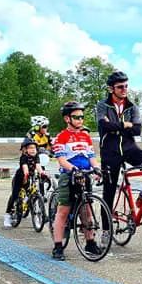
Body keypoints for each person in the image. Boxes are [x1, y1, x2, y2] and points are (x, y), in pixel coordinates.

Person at [96, 70, 142, 235]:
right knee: (109, 193)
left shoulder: (132, 107)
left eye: (126, 86)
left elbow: (137, 130)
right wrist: (125, 125)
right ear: (111, 89)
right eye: (120, 87)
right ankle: (106, 232)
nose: (124, 89)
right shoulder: (102, 106)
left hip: (130, 149)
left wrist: (116, 126)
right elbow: (104, 126)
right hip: (110, 153)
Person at [51, 102, 103, 260]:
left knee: (86, 211)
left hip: (84, 176)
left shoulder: (85, 136)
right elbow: (61, 160)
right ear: (67, 118)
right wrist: (74, 169)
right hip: (69, 176)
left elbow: (91, 156)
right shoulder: (61, 137)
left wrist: (97, 168)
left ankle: (90, 243)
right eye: (76, 117)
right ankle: (58, 247)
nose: (80, 120)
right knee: (63, 212)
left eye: (82, 117)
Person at [4, 138, 49, 227]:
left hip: (29, 177)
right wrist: (26, 174)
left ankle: (27, 204)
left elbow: (38, 166)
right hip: (20, 178)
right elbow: (25, 167)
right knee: (15, 195)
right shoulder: (23, 157)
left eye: (34, 148)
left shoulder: (36, 156)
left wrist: (42, 173)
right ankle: (7, 215)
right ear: (25, 150)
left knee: (30, 192)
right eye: (30, 148)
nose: (33, 150)